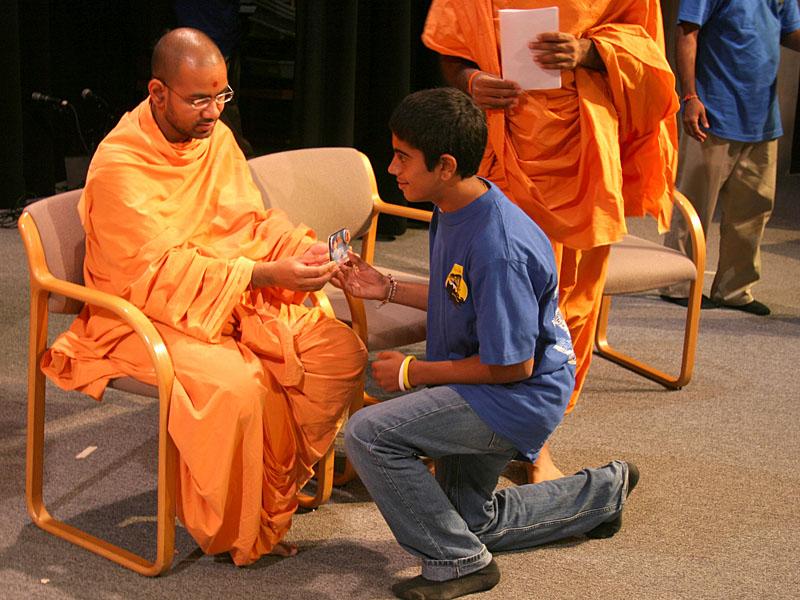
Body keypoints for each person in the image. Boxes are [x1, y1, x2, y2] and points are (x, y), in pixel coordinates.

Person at [40, 28, 367, 565]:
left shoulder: (215, 139)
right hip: (143, 314)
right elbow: (152, 271)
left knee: (338, 353)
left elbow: (249, 223)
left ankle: (266, 491)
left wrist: (299, 250)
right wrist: (260, 274)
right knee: (237, 387)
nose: (214, 111)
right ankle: (238, 527)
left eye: (222, 96)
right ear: (157, 92)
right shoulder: (121, 164)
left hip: (227, 294)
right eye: (199, 99)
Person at [335, 87, 639, 600]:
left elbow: (513, 365)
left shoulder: (499, 247)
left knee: (369, 434)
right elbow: (459, 293)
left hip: (515, 396)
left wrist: (413, 373)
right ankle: (601, 494)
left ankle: (457, 564)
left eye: (403, 157)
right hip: (486, 378)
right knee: (467, 520)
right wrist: (385, 287)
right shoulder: (454, 205)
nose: (392, 168)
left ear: (445, 166)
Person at [422, 1, 679, 482]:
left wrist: (588, 51)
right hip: (496, 145)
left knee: (568, 308)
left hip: (582, 156)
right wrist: (472, 82)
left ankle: (534, 443)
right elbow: (451, 47)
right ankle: (452, 435)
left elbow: (648, 56)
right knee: (474, 298)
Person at [661, 0, 800, 316]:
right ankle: (678, 284)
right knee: (694, 207)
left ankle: (734, 289)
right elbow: (686, 33)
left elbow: (790, 31)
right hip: (713, 112)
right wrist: (690, 96)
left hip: (762, 118)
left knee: (753, 208)